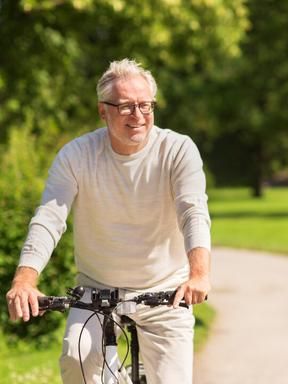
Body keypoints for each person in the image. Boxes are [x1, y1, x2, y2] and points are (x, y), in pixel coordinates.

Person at [5, 58, 212, 383]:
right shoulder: (77, 155)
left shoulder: (177, 150)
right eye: (126, 106)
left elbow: (193, 211)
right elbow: (49, 217)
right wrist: (25, 280)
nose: (139, 115)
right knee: (75, 360)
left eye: (145, 105)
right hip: (96, 291)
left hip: (166, 292)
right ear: (104, 111)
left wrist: (198, 274)